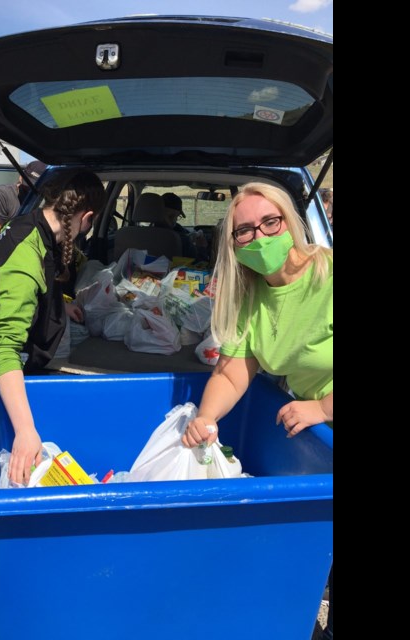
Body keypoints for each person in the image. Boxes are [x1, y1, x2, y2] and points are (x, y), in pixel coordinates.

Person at [179, 180, 333, 640]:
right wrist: (206, 419)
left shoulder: (327, 275)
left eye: (270, 222)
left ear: (291, 222)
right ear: (232, 244)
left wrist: (323, 406)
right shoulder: (252, 297)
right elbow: (232, 372)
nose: (260, 237)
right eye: (244, 231)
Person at [0, 169, 106, 485]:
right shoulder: (26, 257)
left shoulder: (32, 225)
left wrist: (61, 305)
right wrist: (26, 430)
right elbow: (4, 346)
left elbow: (39, 284)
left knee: (16, 438)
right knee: (3, 445)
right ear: (87, 218)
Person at [0, 160, 48, 266]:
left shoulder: (46, 202)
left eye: (35, 188)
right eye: (27, 186)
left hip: (23, 259)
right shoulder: (1, 196)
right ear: (20, 177)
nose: (30, 191)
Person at [159, 192, 199, 259]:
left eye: (177, 216)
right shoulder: (182, 240)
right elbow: (198, 265)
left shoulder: (139, 235)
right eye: (170, 216)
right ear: (159, 213)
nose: (174, 220)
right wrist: (201, 247)